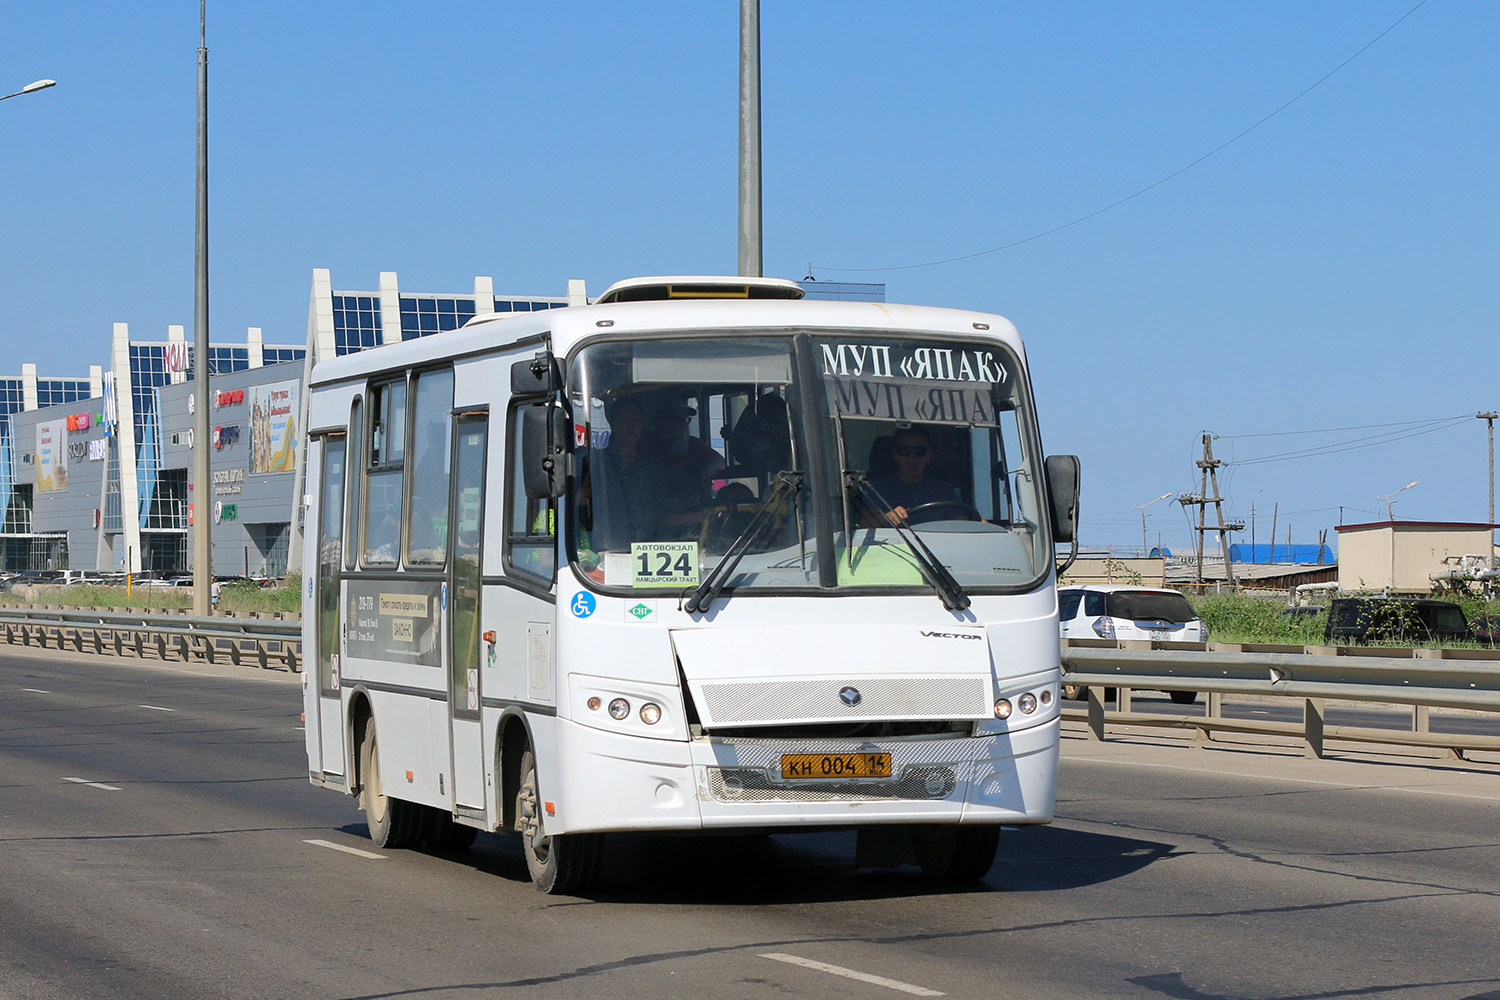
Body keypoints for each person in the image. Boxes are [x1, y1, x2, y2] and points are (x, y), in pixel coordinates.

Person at [590, 396, 665, 550]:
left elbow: (661, 513)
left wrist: (695, 516)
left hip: (648, 554)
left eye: (636, 420)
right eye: (624, 419)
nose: (631, 426)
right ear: (612, 422)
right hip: (604, 553)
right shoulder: (595, 463)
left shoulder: (653, 466)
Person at [867, 426, 960, 526]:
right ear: (895, 455)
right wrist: (886, 517)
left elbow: (960, 523)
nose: (912, 458)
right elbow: (862, 525)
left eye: (920, 451)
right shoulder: (874, 489)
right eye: (904, 451)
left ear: (929, 455)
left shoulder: (944, 490)